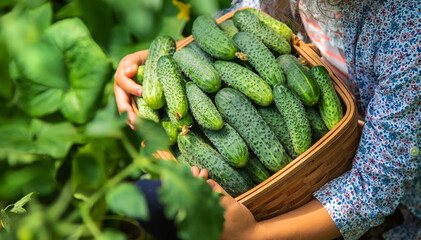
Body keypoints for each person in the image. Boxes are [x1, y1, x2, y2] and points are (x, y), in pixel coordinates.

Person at [114, 0, 421, 239]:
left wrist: (254, 236)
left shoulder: (410, 38)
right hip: (280, 165)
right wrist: (152, 67)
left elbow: (373, 187)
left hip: (357, 192)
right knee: (153, 199)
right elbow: (237, 21)